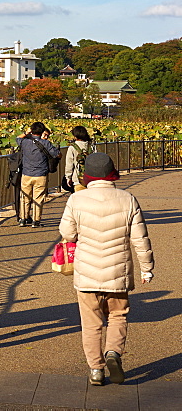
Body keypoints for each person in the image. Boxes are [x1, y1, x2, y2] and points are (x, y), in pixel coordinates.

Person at [58, 152, 153, 386]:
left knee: (91, 323)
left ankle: (96, 370)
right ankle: (113, 353)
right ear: (112, 173)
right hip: (117, 273)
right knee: (118, 316)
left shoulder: (76, 200)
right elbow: (140, 238)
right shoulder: (128, 199)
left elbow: (67, 234)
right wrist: (146, 269)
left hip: (87, 272)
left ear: (87, 175)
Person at [16, 122, 59, 227]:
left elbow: (18, 138)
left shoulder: (25, 142)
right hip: (41, 174)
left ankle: (23, 218)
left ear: (31, 130)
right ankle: (36, 221)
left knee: (25, 197)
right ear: (42, 131)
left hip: (26, 174)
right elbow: (56, 154)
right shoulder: (46, 143)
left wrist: (26, 132)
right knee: (38, 198)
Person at [64, 126, 92, 191]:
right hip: (91, 179)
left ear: (75, 136)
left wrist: (68, 177)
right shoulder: (91, 146)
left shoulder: (72, 148)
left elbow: (69, 164)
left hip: (78, 179)